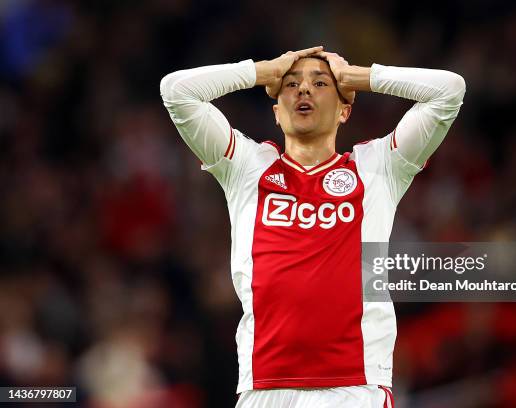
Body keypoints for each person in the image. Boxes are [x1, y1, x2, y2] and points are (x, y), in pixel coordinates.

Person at [160, 46, 465, 408]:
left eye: (320, 83)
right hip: (265, 388)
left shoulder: (378, 168)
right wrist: (262, 71)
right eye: (291, 84)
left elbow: (450, 90)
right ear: (276, 112)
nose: (303, 90)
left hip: (354, 387)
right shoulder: (247, 167)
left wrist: (357, 76)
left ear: (344, 110)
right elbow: (176, 91)